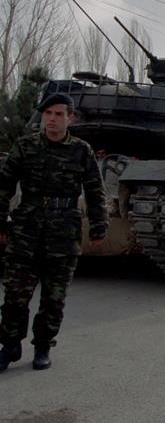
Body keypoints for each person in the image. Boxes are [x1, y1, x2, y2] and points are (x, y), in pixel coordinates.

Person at [0, 93, 108, 372]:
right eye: (48, 113)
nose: (52, 119)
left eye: (59, 114)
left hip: (63, 232)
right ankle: (10, 346)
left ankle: (43, 347)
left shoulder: (81, 150)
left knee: (53, 297)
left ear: (70, 118)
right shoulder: (25, 146)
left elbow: (95, 191)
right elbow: (4, 185)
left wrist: (99, 225)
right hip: (26, 230)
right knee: (14, 295)